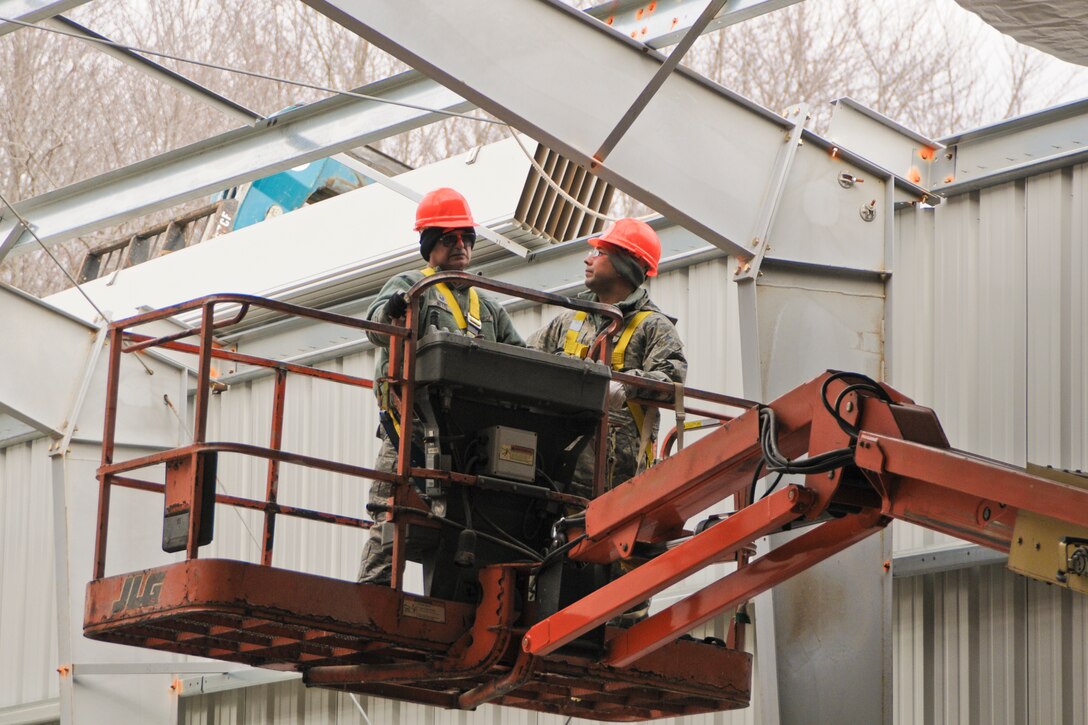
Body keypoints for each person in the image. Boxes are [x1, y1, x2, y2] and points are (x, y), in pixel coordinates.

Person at [358, 187, 524, 585]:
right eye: (449, 239)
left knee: (468, 518)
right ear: (430, 244)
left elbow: (519, 359)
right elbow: (375, 326)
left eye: (466, 238)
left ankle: (458, 593)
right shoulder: (411, 286)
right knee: (390, 508)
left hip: (467, 435)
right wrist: (395, 309)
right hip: (410, 424)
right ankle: (374, 592)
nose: (461, 246)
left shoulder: (488, 308)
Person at [528, 217, 687, 498]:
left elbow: (672, 379)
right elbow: (526, 358)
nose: (588, 260)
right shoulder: (568, 320)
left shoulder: (653, 326)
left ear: (624, 266)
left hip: (616, 482)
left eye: (600, 253)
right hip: (555, 471)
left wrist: (627, 385)